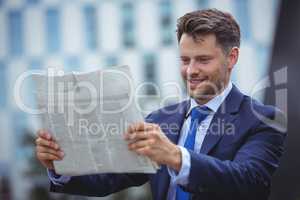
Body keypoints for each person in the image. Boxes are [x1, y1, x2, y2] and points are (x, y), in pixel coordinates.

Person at [35, 9, 286, 200]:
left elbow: (248, 181)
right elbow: (108, 179)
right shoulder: (160, 119)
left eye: (203, 60)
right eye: (184, 60)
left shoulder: (262, 119)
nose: (190, 71)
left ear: (232, 58)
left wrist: (175, 156)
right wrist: (61, 164)